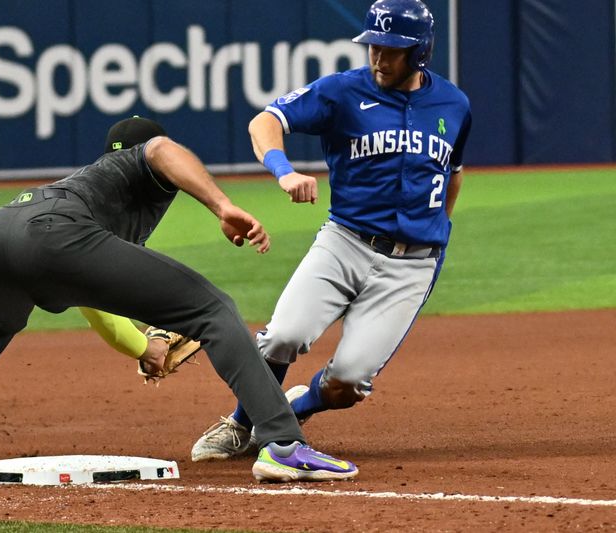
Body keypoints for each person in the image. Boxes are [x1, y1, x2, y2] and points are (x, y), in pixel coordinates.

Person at [0, 116, 359, 483]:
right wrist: (223, 205)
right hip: (52, 235)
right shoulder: (145, 161)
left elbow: (88, 288)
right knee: (212, 310)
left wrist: (143, 346)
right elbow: (161, 150)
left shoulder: (92, 186)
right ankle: (283, 444)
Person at [191, 0, 472, 461]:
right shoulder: (342, 92)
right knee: (282, 335)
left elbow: (453, 173)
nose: (379, 58)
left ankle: (292, 407)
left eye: (392, 49)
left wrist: (439, 231)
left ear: (420, 52)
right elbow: (266, 121)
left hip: (412, 264)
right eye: (374, 46)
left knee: (348, 384)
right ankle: (242, 423)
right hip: (345, 243)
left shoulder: (454, 104)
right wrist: (283, 171)